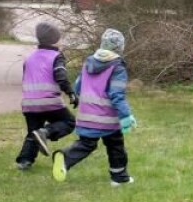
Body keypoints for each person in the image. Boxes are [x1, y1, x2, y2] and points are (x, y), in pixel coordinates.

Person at [52, 28, 139, 185]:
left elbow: (78, 86)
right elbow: (116, 95)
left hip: (86, 115)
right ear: (120, 48)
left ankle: (65, 159)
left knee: (86, 144)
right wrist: (126, 116)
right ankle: (119, 178)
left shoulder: (89, 62)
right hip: (107, 118)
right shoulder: (117, 67)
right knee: (115, 145)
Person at [15, 22, 78, 170]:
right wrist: (71, 93)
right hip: (50, 102)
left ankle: (24, 161)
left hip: (29, 103)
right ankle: (46, 132)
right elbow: (61, 76)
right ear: (55, 40)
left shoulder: (29, 58)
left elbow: (26, 78)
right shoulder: (56, 56)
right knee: (69, 122)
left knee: (33, 132)